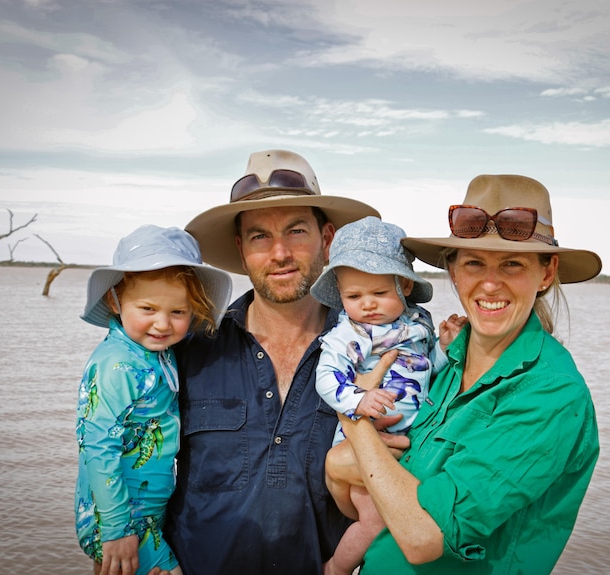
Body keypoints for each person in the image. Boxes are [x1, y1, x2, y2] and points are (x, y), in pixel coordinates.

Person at [325, 174, 603, 574]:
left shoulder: (550, 393)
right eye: (474, 263)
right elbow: (364, 497)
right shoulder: (441, 358)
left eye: (512, 263)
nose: (490, 283)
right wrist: (340, 468)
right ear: (453, 272)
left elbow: (422, 536)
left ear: (546, 273)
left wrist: (352, 417)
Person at [164, 149, 381, 574]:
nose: (279, 253)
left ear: (328, 238)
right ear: (241, 249)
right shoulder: (188, 348)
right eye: (260, 236)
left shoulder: (374, 353)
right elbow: (130, 449)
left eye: (296, 231)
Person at [75, 225, 232, 575]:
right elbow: (97, 445)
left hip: (146, 513)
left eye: (178, 312)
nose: (162, 324)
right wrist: (116, 531)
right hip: (119, 519)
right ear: (115, 301)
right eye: (147, 308)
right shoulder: (117, 364)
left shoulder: (153, 353)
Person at [309, 215, 462, 575]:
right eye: (353, 296)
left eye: (379, 293)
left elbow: (425, 371)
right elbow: (327, 379)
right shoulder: (350, 334)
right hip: (359, 437)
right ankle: (333, 569)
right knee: (375, 521)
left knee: (399, 515)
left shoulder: (416, 325)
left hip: (401, 439)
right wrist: (358, 400)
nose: (367, 305)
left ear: (405, 287)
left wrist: (443, 348)